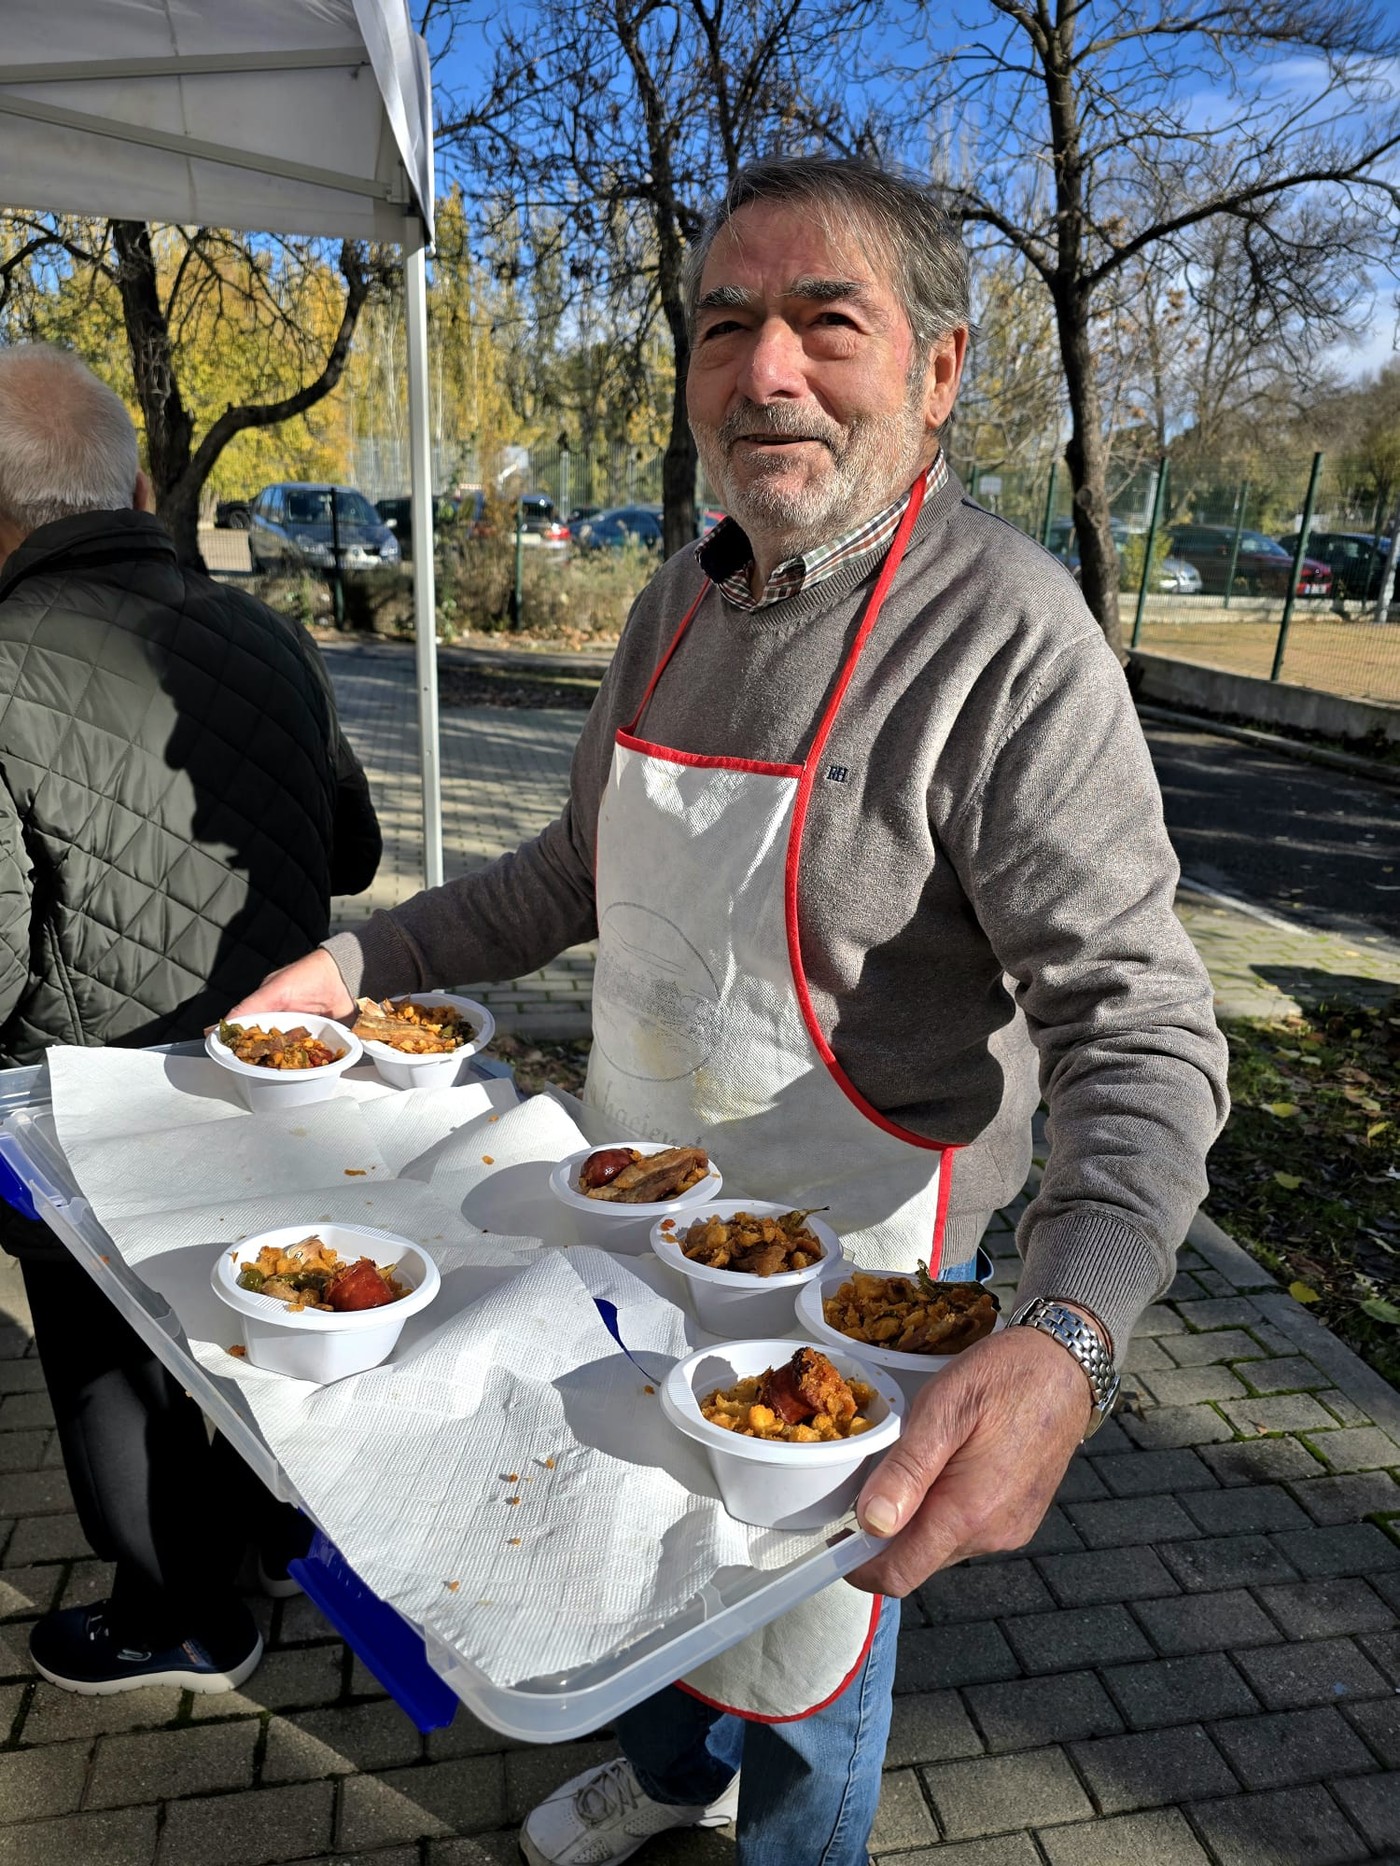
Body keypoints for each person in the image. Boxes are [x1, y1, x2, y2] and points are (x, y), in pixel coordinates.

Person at [233, 158, 1229, 1865]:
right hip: (634, 1220)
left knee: (812, 1662)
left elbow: (1140, 1027)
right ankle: (674, 1770)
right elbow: (573, 871)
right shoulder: (672, 601)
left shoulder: (1009, 641)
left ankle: (783, 1836)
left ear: (936, 370)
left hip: (857, 1286)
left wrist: (1069, 1336)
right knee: (632, 1546)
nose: (764, 369)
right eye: (723, 326)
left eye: (823, 322)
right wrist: (355, 966)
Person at [0, 343, 382, 1695]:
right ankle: (269, 1536)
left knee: (112, 1361)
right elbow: (352, 847)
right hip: (272, 1083)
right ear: (138, 483)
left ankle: (179, 1610)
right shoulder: (270, 636)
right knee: (251, 1315)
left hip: (88, 1120)